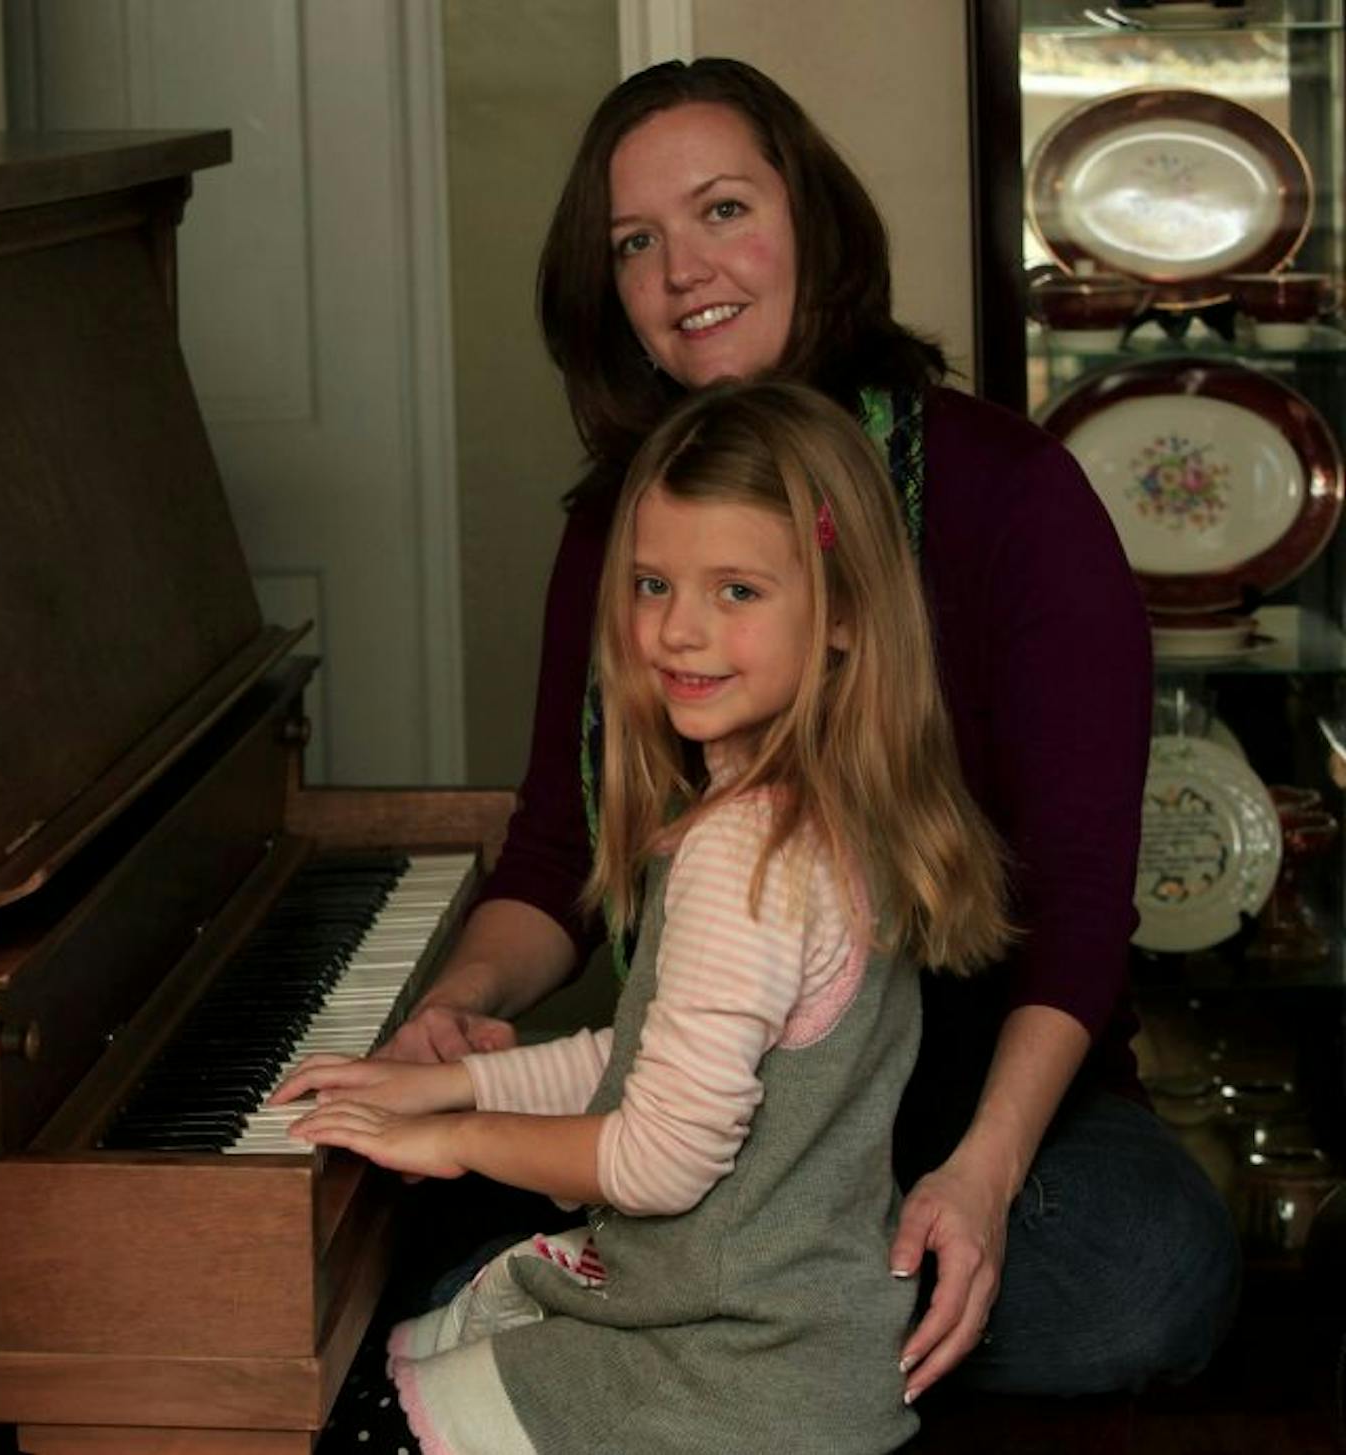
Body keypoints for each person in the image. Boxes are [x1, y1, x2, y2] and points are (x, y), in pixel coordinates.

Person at [376, 56, 1237, 1403]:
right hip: (718, 1111)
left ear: (809, 221)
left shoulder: (1012, 492)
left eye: (722, 209)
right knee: (413, 1225)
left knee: (1137, 1275)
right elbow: (557, 850)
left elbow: (1077, 913)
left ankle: (729, 1336)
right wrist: (460, 1005)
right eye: (635, 242)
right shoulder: (613, 528)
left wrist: (981, 1177)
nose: (682, 268)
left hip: (990, 1105)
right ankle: (776, 1340)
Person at [274, 378, 1012, 1454]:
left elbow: (660, 1159)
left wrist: (454, 1140)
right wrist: (451, 1077)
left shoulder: (741, 853)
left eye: (739, 592)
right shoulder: (830, 817)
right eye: (653, 583)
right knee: (413, 1345)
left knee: (344, 1413)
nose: (678, 629)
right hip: (801, 1362)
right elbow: (650, 1062)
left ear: (846, 611)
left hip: (709, 1377)